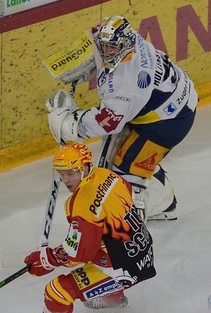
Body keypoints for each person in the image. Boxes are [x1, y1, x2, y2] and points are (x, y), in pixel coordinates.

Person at [46, 15, 198, 222]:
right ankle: (162, 196)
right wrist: (82, 58)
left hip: (168, 122)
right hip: (167, 99)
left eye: (113, 48)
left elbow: (108, 122)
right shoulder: (128, 38)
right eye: (103, 47)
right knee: (119, 150)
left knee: (123, 171)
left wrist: (72, 124)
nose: (107, 52)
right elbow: (96, 31)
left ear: (125, 45)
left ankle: (131, 223)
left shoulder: (130, 86)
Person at [18, 142, 156, 313]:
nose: (66, 180)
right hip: (143, 248)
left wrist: (46, 260)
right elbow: (126, 191)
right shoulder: (106, 175)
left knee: (57, 291)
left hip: (124, 268)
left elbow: (79, 253)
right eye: (62, 173)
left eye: (71, 173)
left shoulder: (81, 203)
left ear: (84, 167)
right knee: (100, 252)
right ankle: (114, 297)